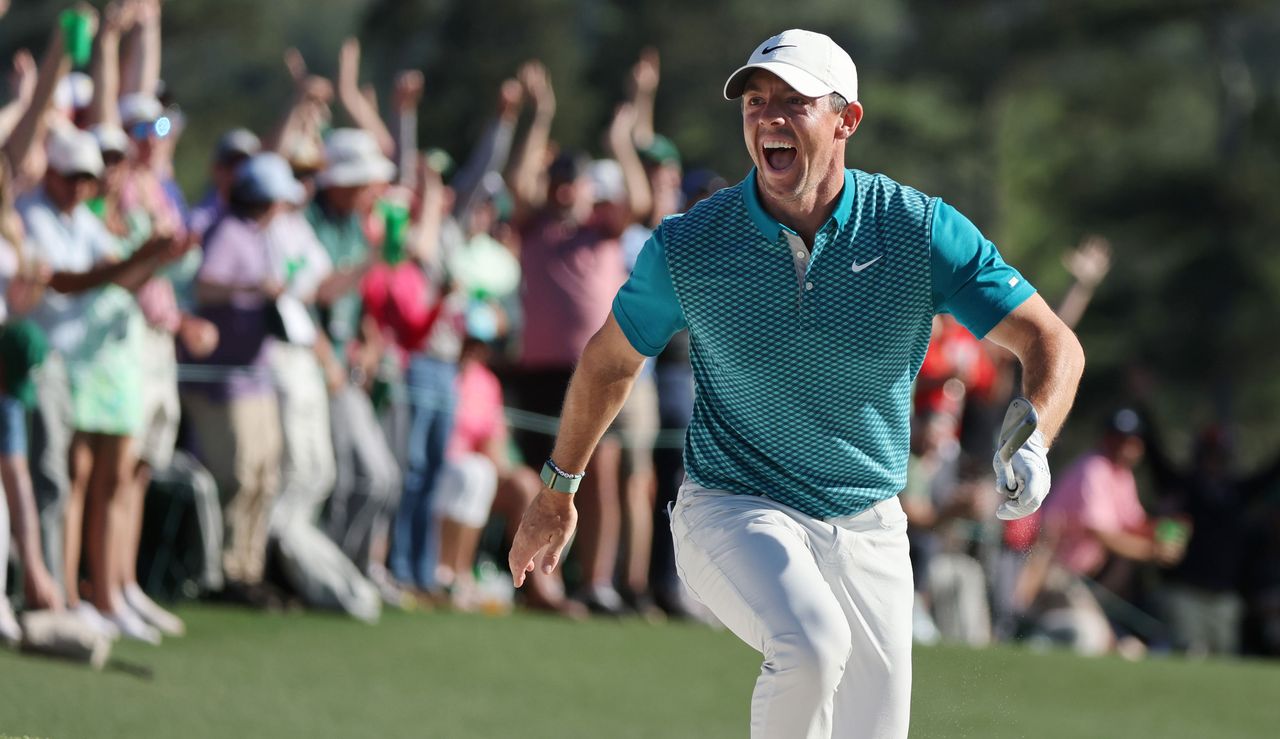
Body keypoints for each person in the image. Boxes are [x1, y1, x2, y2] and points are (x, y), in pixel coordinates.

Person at [509, 29, 1085, 739]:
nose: (768, 118)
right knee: (811, 646)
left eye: (794, 102)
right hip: (731, 506)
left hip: (870, 522)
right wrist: (557, 487)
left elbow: (1050, 340)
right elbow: (608, 361)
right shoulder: (692, 244)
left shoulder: (914, 230)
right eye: (756, 101)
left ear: (847, 119)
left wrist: (1034, 439)